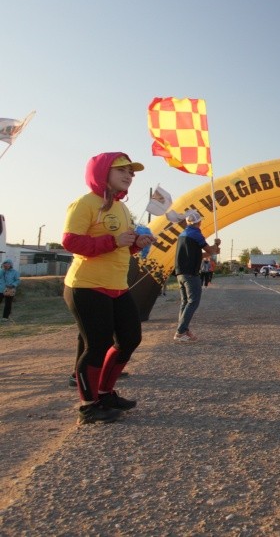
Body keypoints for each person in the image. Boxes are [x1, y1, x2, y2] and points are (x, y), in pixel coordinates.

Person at [62, 152, 156, 424]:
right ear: (102, 172)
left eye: (131, 172)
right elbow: (71, 242)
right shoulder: (85, 203)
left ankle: (105, 393)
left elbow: (121, 249)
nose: (129, 176)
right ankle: (88, 406)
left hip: (117, 286)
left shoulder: (122, 208)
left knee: (129, 339)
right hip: (87, 285)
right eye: (121, 171)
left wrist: (136, 243)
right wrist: (114, 241)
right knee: (97, 345)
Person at [174, 210, 221, 341]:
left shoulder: (183, 234)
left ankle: (183, 329)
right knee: (193, 301)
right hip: (190, 273)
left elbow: (199, 255)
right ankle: (180, 332)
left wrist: (213, 250)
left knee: (185, 302)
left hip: (180, 273)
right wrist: (216, 245)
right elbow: (210, 251)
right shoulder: (196, 234)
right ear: (199, 222)